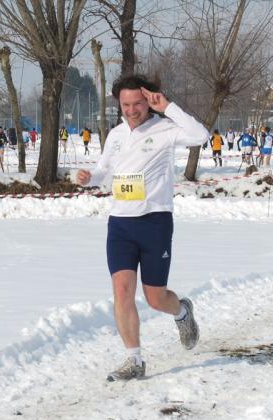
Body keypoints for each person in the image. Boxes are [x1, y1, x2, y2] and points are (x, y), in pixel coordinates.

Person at [75, 74, 208, 382]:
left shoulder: (165, 129)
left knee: (154, 298)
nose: (132, 110)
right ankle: (134, 360)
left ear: (149, 100)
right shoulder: (117, 135)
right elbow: (104, 171)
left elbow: (199, 135)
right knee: (122, 292)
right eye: (125, 104)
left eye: (138, 103)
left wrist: (168, 107)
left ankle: (182, 312)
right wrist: (89, 178)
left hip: (155, 221)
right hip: (120, 223)